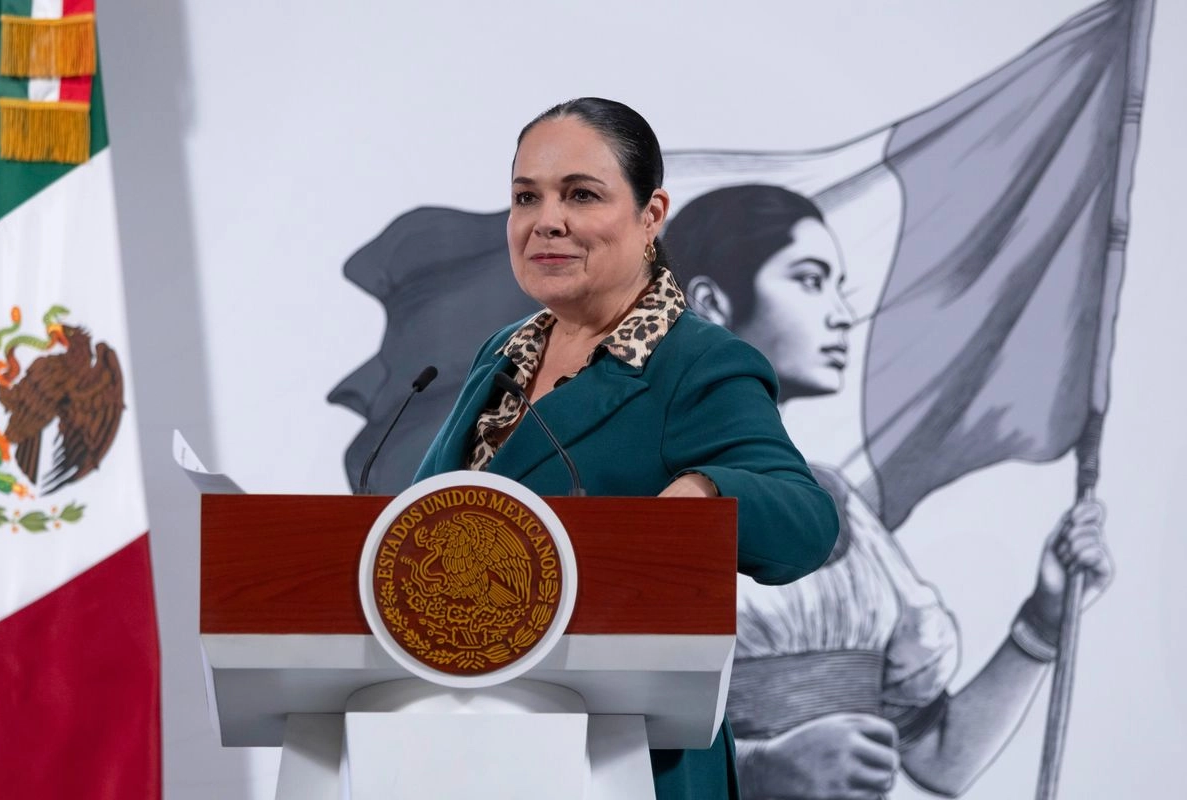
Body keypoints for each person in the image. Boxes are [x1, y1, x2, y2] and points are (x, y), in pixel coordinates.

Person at [413, 99, 840, 798]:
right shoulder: (506, 353)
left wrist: (707, 491)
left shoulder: (696, 362)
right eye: (527, 197)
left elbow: (805, 520)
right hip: (476, 750)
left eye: (580, 194)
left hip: (626, 764)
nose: (546, 219)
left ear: (651, 216)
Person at [665, 184, 1114, 799]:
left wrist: (1044, 617)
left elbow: (939, 758)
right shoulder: (645, 501)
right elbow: (593, 750)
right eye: (809, 279)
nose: (843, 313)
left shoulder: (841, 505)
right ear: (711, 303)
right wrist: (756, 772)